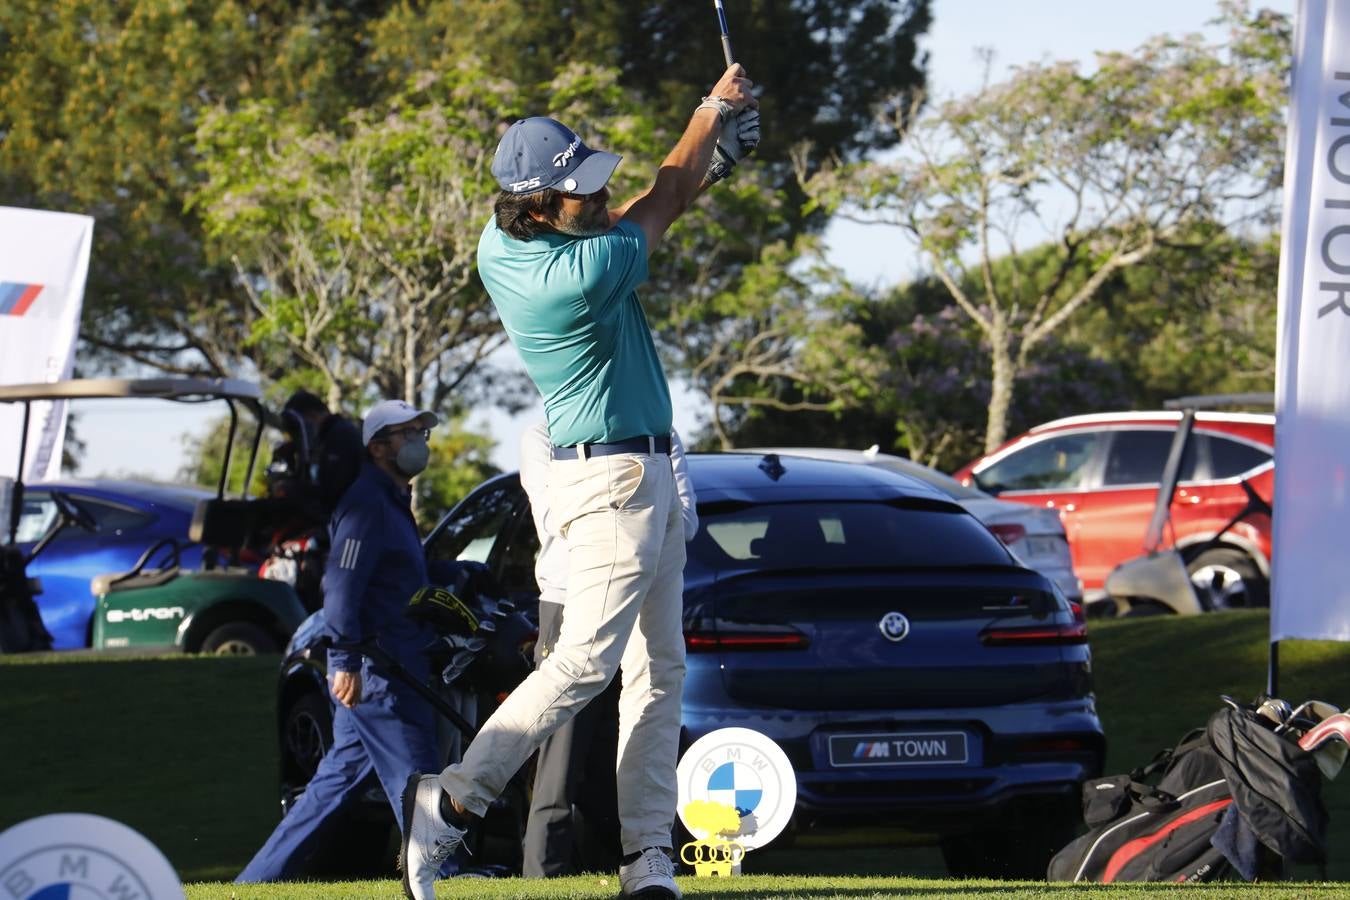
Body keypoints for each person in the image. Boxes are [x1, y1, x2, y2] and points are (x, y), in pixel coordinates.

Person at [399, 63, 759, 900]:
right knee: (584, 664)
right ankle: (452, 802)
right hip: (609, 486)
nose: (597, 201)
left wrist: (711, 158)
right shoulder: (568, 281)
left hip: (646, 471)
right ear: (535, 208)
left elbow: (643, 211)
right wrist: (711, 114)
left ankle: (647, 860)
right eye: (578, 195)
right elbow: (658, 206)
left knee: (658, 672)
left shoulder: (520, 243)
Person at [236, 399, 441, 882]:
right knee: (420, 785)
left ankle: (251, 884)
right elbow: (341, 588)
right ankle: (444, 880)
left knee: (332, 786)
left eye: (420, 432)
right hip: (381, 674)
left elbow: (400, 577)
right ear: (377, 447)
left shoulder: (390, 501)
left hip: (387, 667)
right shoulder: (367, 504)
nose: (417, 441)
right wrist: (343, 659)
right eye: (406, 433)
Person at [519, 424, 698, 878]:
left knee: (640, 732)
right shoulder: (545, 431)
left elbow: (687, 520)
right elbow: (554, 522)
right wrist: (641, 514)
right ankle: (545, 872)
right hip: (572, 597)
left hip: (647, 599)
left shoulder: (659, 431)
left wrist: (615, 511)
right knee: (563, 748)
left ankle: (641, 860)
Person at [281, 389, 365, 518]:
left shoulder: (341, 435)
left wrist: (291, 488)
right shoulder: (325, 437)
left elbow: (332, 489)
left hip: (342, 517)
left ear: (311, 416)